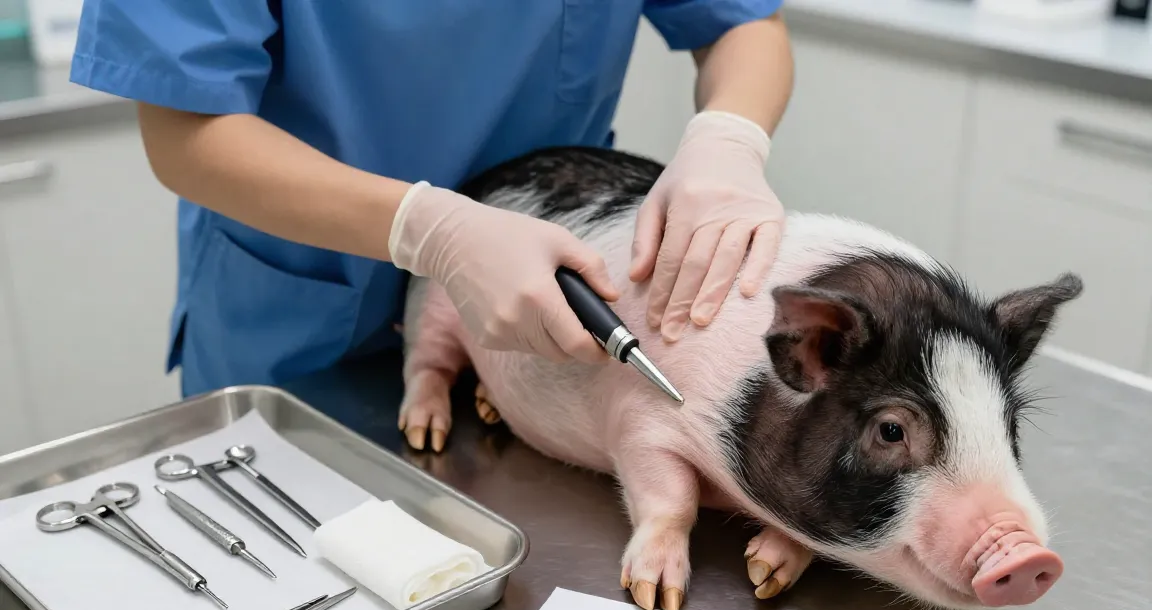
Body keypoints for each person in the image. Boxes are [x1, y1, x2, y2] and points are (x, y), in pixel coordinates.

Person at [70, 2, 794, 397]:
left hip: (539, 321)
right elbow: (185, 136)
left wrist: (729, 136)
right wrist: (433, 229)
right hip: (303, 329)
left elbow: (742, 21)